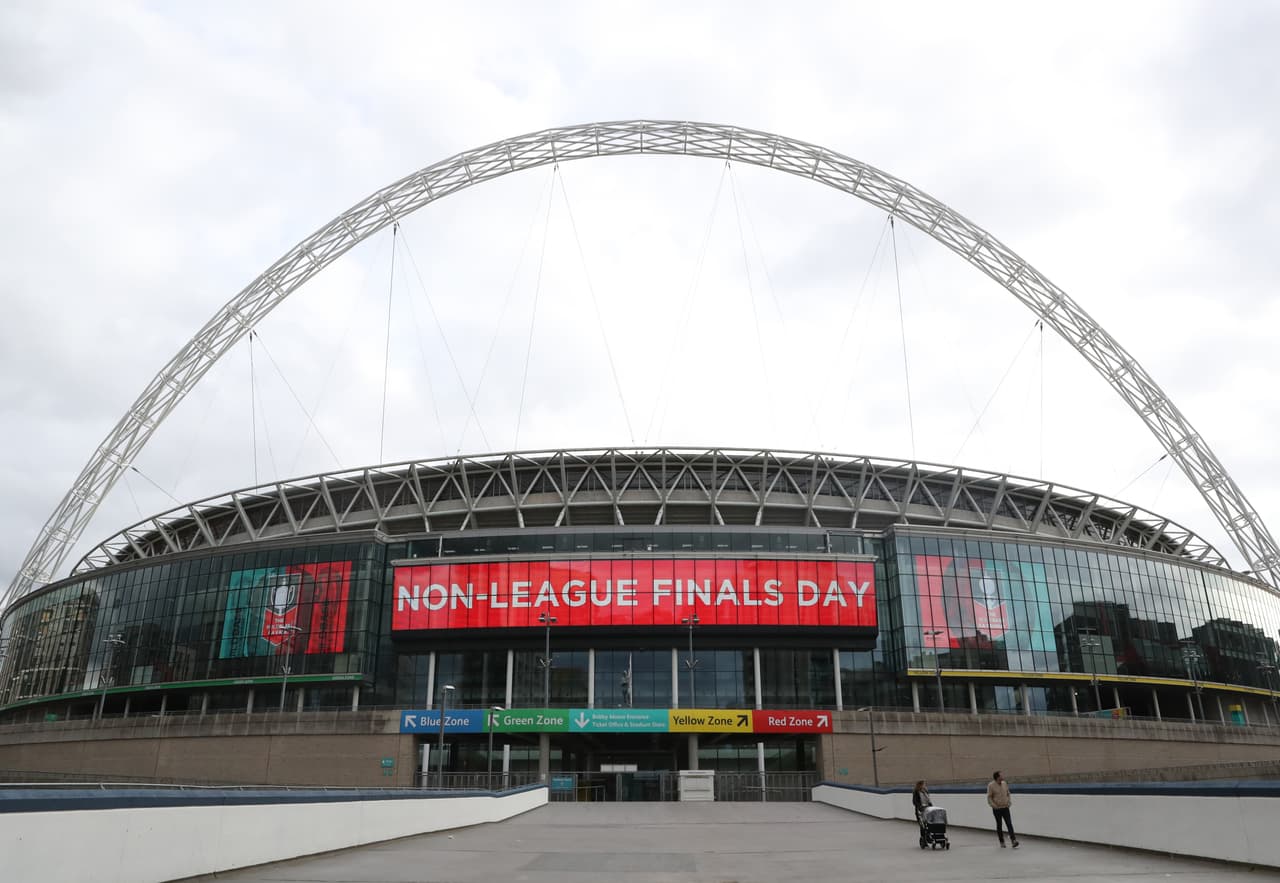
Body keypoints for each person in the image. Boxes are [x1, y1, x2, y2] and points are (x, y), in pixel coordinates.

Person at [986, 770, 1019, 848]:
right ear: (997, 777)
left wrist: (1009, 801)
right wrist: (993, 806)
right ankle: (1002, 841)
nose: (1003, 776)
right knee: (999, 825)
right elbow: (989, 797)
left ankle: (1013, 840)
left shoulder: (1004, 783)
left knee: (1009, 823)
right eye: (1001, 775)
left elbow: (1008, 793)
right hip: (997, 809)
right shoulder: (991, 785)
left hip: (1005, 808)